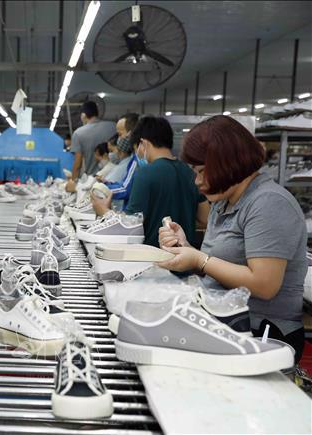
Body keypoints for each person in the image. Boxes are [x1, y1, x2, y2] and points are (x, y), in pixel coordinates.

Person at [156, 115, 306, 362]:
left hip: (263, 335)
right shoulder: (224, 200)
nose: (198, 181)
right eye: (195, 172)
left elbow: (264, 285)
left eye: (203, 171)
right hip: (224, 321)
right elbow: (220, 267)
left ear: (229, 163)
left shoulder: (268, 203)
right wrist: (187, 248)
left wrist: (199, 259)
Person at [92, 116, 209, 247]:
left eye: (137, 148)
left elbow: (130, 225)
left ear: (144, 143)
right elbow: (205, 219)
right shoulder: (191, 173)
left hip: (155, 258)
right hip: (187, 258)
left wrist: (104, 211)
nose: (138, 154)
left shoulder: (145, 174)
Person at [65, 101, 115, 192]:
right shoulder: (113, 126)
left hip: (93, 181)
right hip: (115, 177)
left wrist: (73, 181)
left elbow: (78, 162)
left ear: (83, 115)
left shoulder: (79, 133)